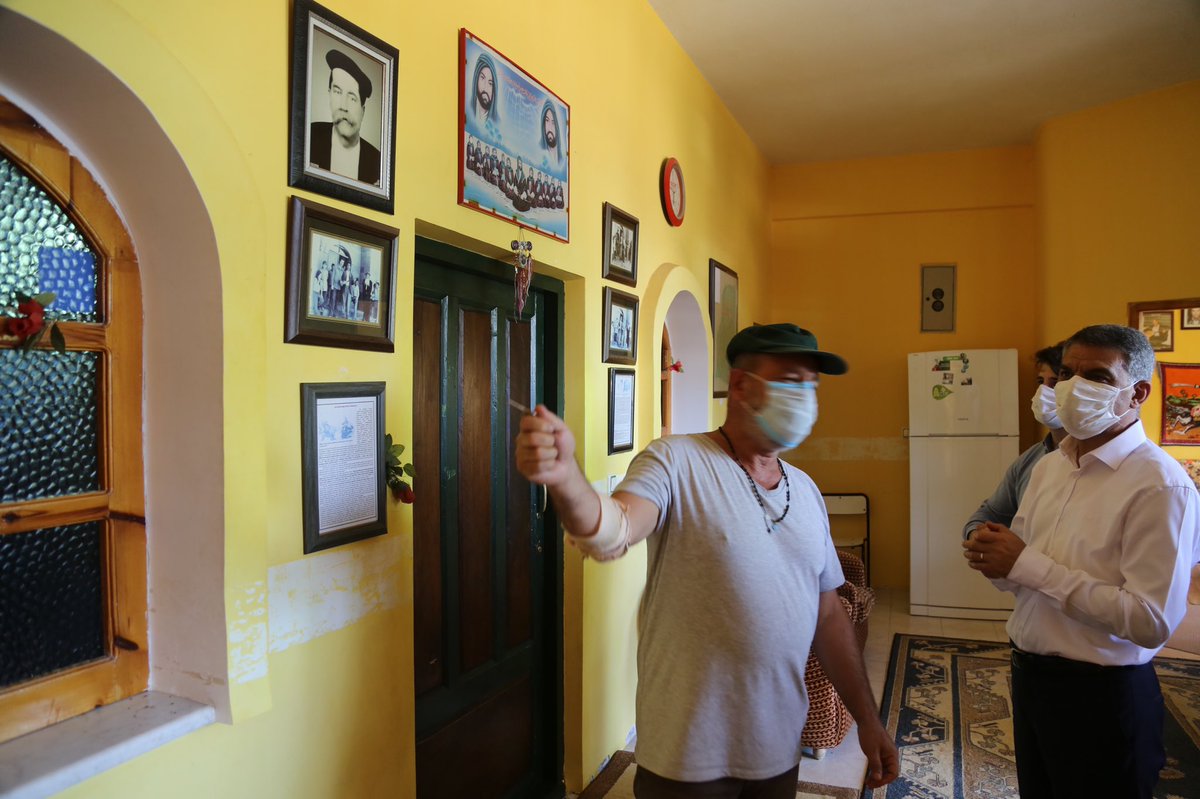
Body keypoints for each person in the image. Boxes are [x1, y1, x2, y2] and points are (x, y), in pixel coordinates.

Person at [515, 323, 899, 796]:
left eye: (811, 386)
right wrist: (566, 478)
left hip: (778, 749)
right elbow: (613, 530)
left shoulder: (806, 489)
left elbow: (827, 614)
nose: (805, 398)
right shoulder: (675, 461)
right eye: (790, 382)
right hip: (687, 758)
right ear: (740, 385)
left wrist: (868, 719)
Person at [963, 324, 1200, 798]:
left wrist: (1025, 563)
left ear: (1138, 393)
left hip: (1104, 698)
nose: (1073, 387)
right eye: (1067, 373)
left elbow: (1151, 622)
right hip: (1031, 680)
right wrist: (999, 563)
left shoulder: (1160, 485)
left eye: (1097, 375)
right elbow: (1025, 575)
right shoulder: (1051, 466)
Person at [962, 343, 1066, 538]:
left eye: (1054, 383)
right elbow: (991, 513)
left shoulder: (1094, 462)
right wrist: (977, 535)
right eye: (1040, 381)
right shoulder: (1031, 459)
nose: (1043, 392)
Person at [309, 49, 381, 186]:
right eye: (337, 92)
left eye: (352, 98)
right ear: (329, 95)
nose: (343, 105)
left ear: (363, 111)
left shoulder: (376, 161)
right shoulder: (310, 137)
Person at [470, 53, 499, 127]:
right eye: (482, 78)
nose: (485, 88)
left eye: (490, 83)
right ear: (476, 79)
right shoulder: (469, 109)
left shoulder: (497, 123)